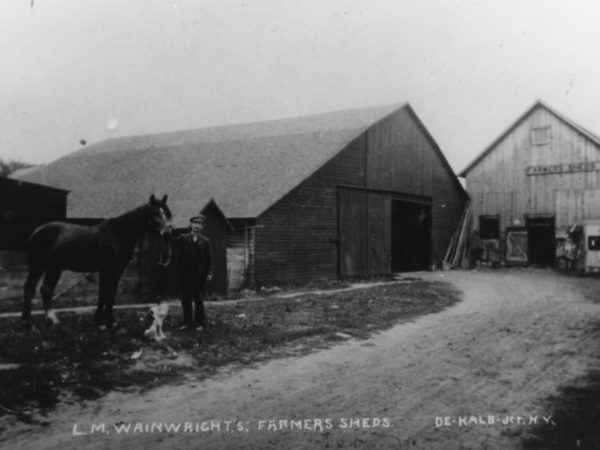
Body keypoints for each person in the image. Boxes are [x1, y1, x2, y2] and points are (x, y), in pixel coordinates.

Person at [175, 214, 213, 331]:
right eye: (195, 223)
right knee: (186, 299)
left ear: (202, 227)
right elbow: (174, 248)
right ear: (191, 225)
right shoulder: (183, 238)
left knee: (198, 299)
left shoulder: (205, 241)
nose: (197, 226)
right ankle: (187, 322)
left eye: (200, 224)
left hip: (199, 275)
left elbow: (210, 258)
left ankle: (199, 323)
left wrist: (209, 272)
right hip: (186, 274)